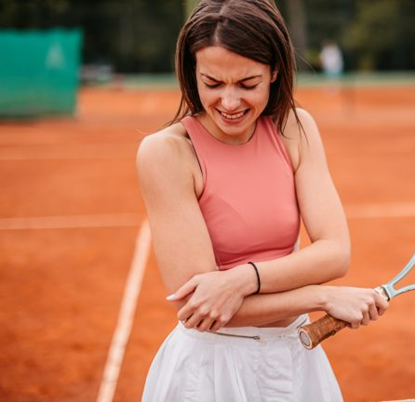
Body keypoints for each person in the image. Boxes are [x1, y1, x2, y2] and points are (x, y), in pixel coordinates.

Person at [136, 0, 389, 401]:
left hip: (296, 359)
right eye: (213, 84)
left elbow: (335, 252)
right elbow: (199, 308)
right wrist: (321, 296)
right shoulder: (164, 153)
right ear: (191, 73)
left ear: (274, 70)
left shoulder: (296, 127)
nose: (230, 103)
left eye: (247, 84)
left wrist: (239, 279)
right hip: (211, 371)